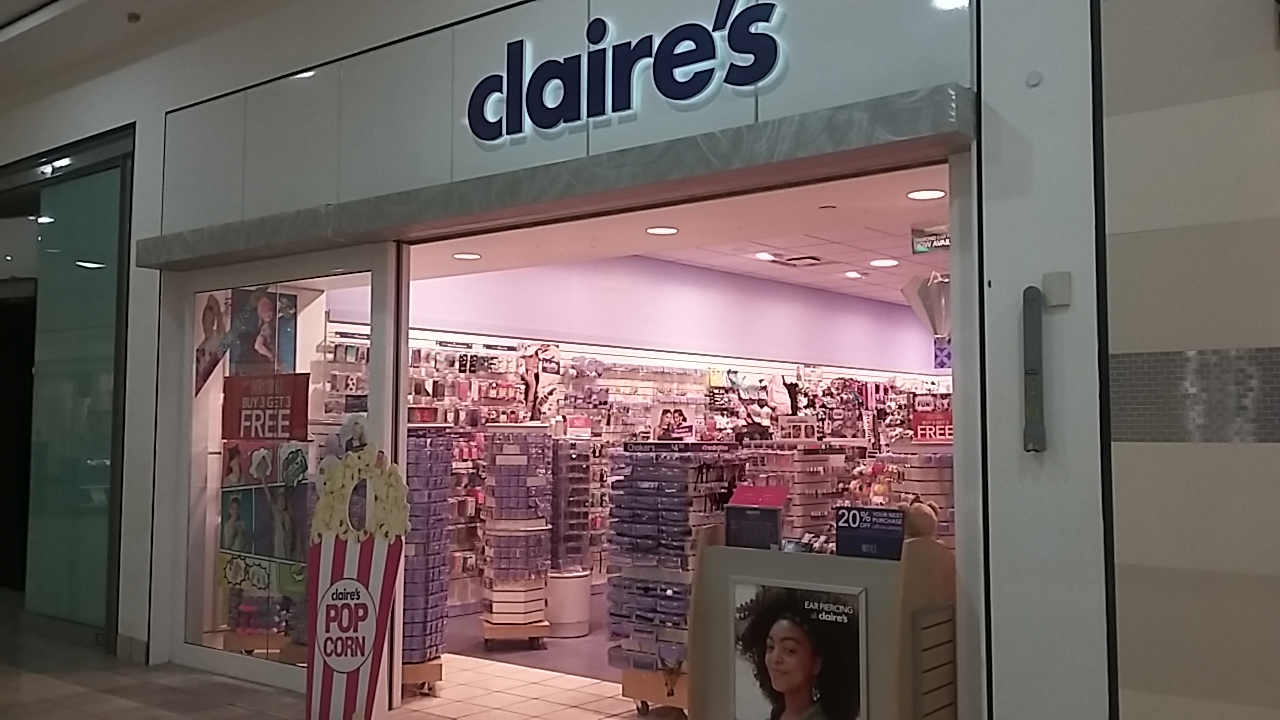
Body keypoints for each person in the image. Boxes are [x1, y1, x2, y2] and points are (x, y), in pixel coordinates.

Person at [735, 586, 862, 720]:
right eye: (770, 647)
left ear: (817, 663)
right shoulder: (777, 714)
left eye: (789, 650)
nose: (775, 658)